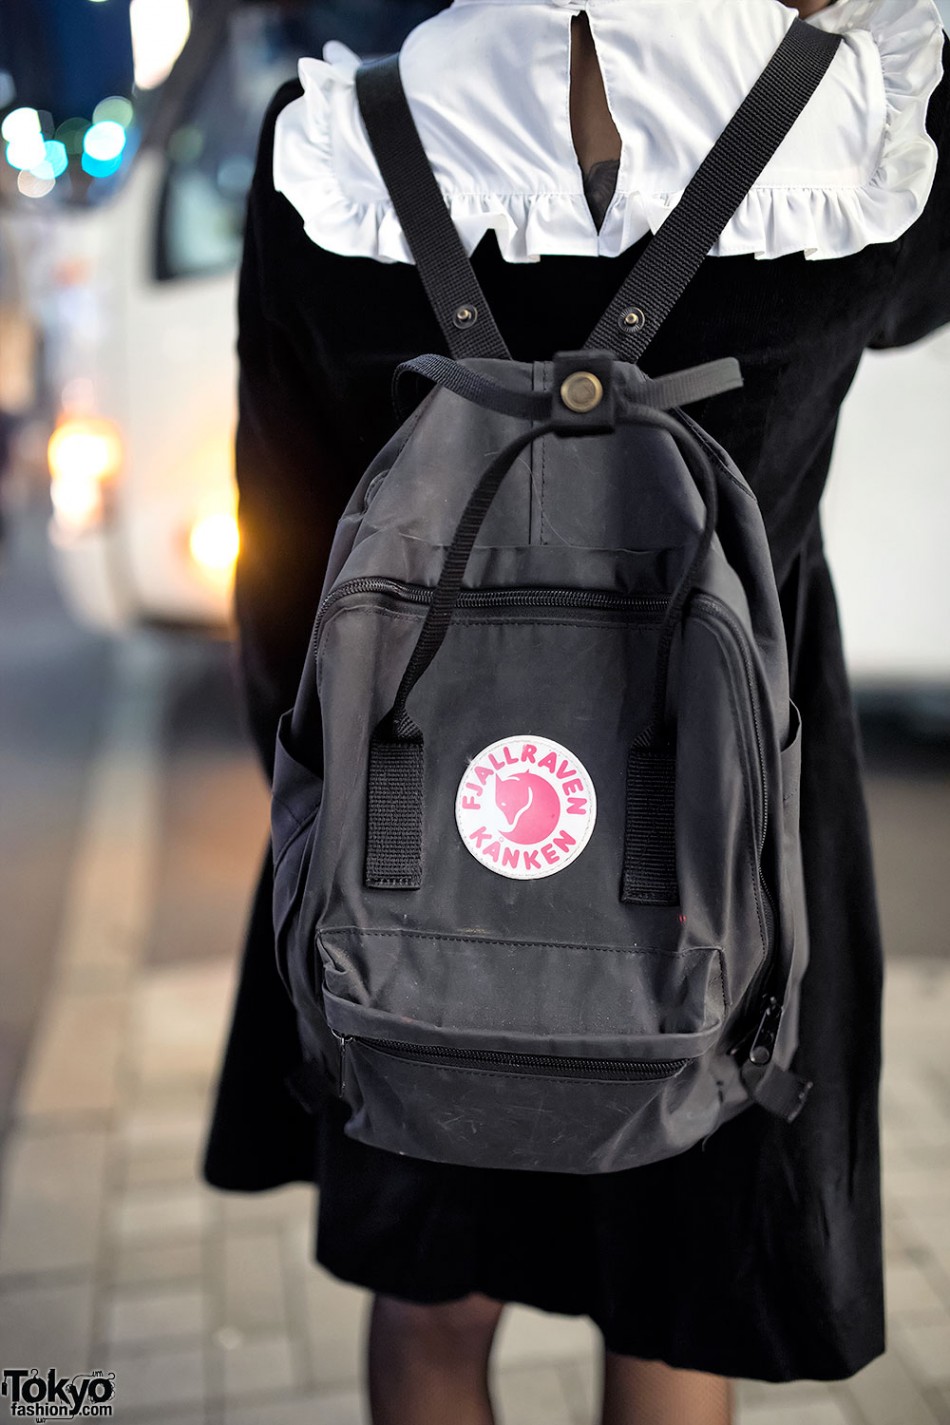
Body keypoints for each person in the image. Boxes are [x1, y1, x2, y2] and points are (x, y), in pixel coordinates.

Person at [203, 1, 950, 1421]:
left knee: (428, 1311)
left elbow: (281, 565)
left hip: (410, 839)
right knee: (668, 1327)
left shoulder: (336, 148)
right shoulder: (852, 135)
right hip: (724, 865)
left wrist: (319, 830)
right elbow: (912, 302)